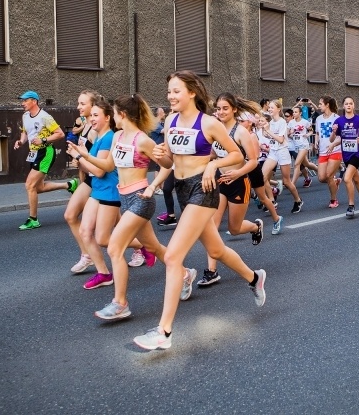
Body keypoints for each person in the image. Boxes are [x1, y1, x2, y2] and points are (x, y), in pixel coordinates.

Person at [133, 71, 266, 351]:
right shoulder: (169, 121)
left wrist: (211, 165)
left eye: (176, 91)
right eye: (169, 91)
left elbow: (237, 155)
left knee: (172, 257)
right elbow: (170, 161)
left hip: (202, 190)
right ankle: (255, 278)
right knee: (216, 251)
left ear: (192, 92)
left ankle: (163, 332)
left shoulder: (208, 123)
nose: (171, 96)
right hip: (182, 189)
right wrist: (159, 157)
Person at [89, 94, 170, 320]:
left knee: (114, 247)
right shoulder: (117, 137)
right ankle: (184, 274)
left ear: (122, 114)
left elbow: (167, 165)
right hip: (125, 199)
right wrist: (84, 155)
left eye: (114, 113)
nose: (113, 117)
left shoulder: (142, 140)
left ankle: (120, 304)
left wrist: (153, 186)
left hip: (141, 198)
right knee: (152, 246)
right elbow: (108, 165)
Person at [199, 93, 265, 287]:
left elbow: (253, 162)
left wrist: (237, 174)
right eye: (218, 108)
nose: (220, 112)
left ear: (234, 109)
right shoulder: (215, 129)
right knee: (212, 226)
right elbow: (213, 152)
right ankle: (211, 271)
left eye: (225, 108)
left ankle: (255, 227)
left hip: (239, 182)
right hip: (220, 182)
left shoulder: (241, 132)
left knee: (233, 229)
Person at [13, 91, 75, 230]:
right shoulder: (25, 116)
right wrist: (21, 141)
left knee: (29, 185)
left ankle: (33, 219)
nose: (22, 103)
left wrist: (43, 139)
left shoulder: (45, 117)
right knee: (38, 187)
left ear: (34, 101)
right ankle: (69, 185)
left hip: (45, 152)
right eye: (21, 101)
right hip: (34, 153)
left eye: (25, 101)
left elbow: (60, 133)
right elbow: (25, 132)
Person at [64, 90, 102, 274]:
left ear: (93, 105)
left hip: (101, 180)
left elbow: (97, 162)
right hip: (88, 179)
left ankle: (141, 247)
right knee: (70, 216)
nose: (78, 107)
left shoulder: (95, 130)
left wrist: (79, 157)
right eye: (78, 103)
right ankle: (86, 256)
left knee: (112, 230)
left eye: (82, 104)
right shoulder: (85, 125)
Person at [330, 96, 359, 218]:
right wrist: (333, 133)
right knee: (356, 179)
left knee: (347, 178)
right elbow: (333, 138)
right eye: (346, 104)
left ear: (354, 105)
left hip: (358, 153)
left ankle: (351, 206)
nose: (348, 105)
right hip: (346, 154)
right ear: (343, 106)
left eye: (351, 103)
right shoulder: (339, 121)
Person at [261, 100, 303, 214]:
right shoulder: (271, 122)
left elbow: (280, 139)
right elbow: (268, 135)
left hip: (283, 151)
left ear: (279, 109)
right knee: (262, 177)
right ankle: (272, 201)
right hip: (273, 152)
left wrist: (268, 131)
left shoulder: (282, 122)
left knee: (286, 181)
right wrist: (264, 129)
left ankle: (298, 200)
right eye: (269, 107)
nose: (269, 109)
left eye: (272, 107)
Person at [316, 95, 342, 208]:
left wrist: (333, 144)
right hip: (323, 151)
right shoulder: (318, 119)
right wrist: (316, 142)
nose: (319, 106)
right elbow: (317, 133)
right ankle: (335, 182)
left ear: (327, 105)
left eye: (320, 104)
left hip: (335, 150)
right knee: (322, 178)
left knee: (329, 175)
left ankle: (333, 200)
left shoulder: (336, 118)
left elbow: (341, 135)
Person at [288, 105, 316, 188]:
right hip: (296, 146)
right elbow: (288, 135)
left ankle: (292, 184)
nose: (294, 113)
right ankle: (322, 173)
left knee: (297, 164)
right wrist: (291, 133)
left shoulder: (305, 122)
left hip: (304, 145)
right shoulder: (291, 122)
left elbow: (311, 131)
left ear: (300, 113)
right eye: (293, 112)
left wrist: (307, 135)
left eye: (296, 112)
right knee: (307, 164)